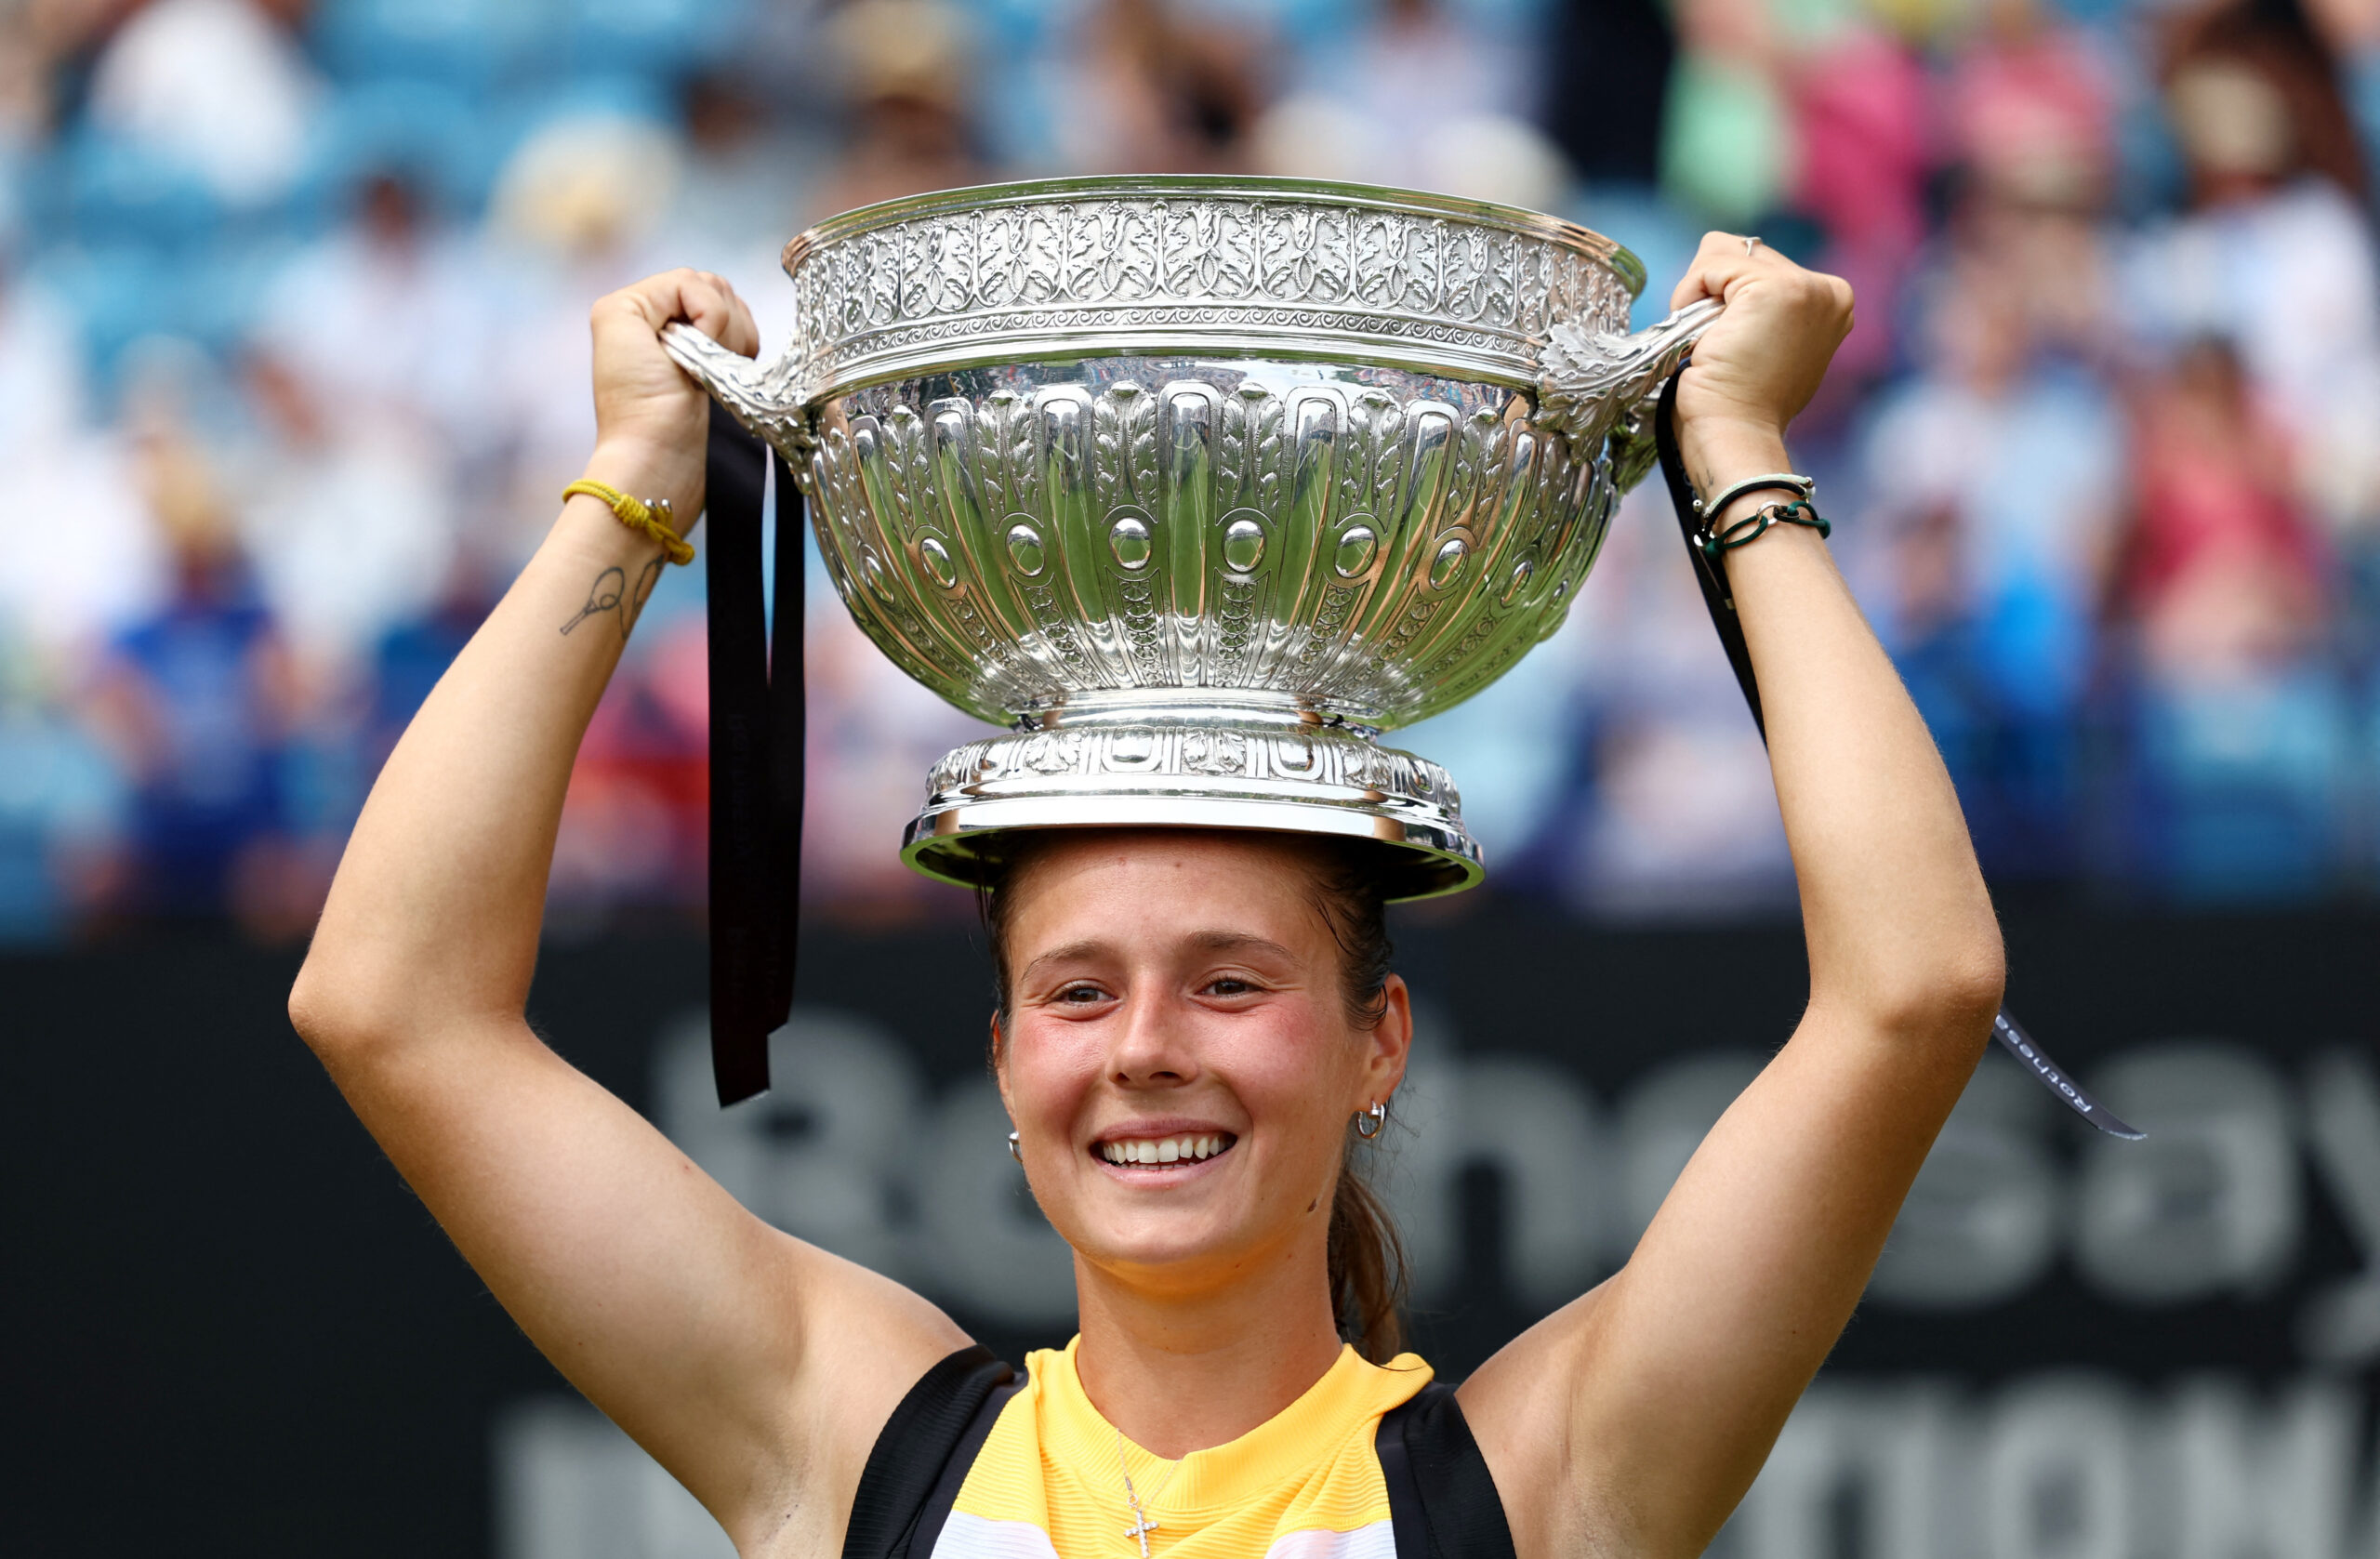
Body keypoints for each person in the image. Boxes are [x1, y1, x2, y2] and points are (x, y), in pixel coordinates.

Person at [290, 240, 2005, 1559]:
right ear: (1004, 1051)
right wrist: (641, 479)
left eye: (1233, 982)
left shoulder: (1540, 1482)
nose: (1147, 1049)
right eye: (1080, 988)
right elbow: (391, 1004)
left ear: (1376, 1038)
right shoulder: (859, 1443)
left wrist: (1736, 451)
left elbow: (1914, 990)